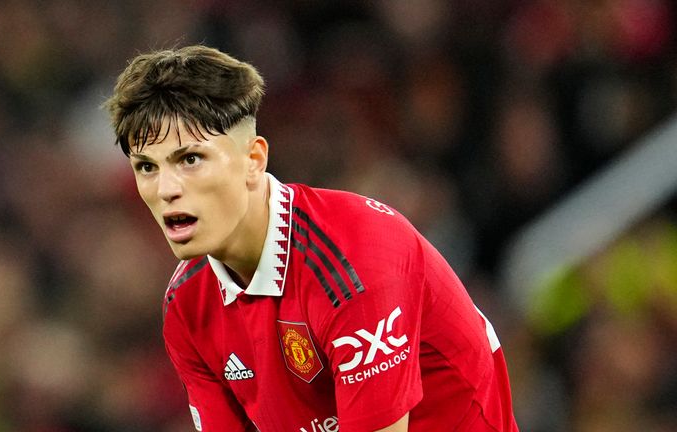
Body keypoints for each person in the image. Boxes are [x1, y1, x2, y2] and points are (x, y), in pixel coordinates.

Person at [104, 45, 519, 432]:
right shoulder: (187, 304)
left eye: (190, 159)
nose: (165, 189)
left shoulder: (356, 260)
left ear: (253, 160)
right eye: (146, 167)